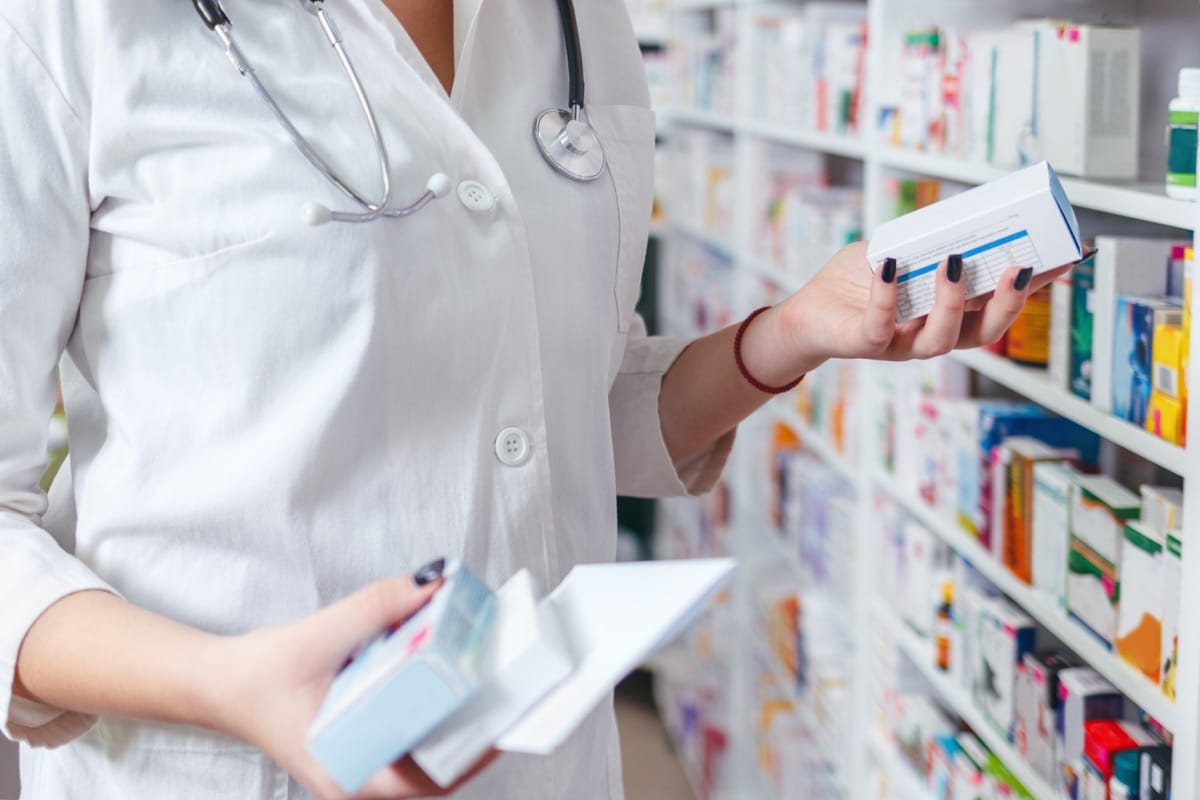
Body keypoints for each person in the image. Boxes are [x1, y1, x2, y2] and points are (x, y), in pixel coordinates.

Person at [0, 1, 1070, 798]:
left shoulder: (573, 24)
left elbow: (557, 423)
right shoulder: (68, 25)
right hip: (221, 771)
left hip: (542, 760)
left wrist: (785, 336)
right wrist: (230, 683)